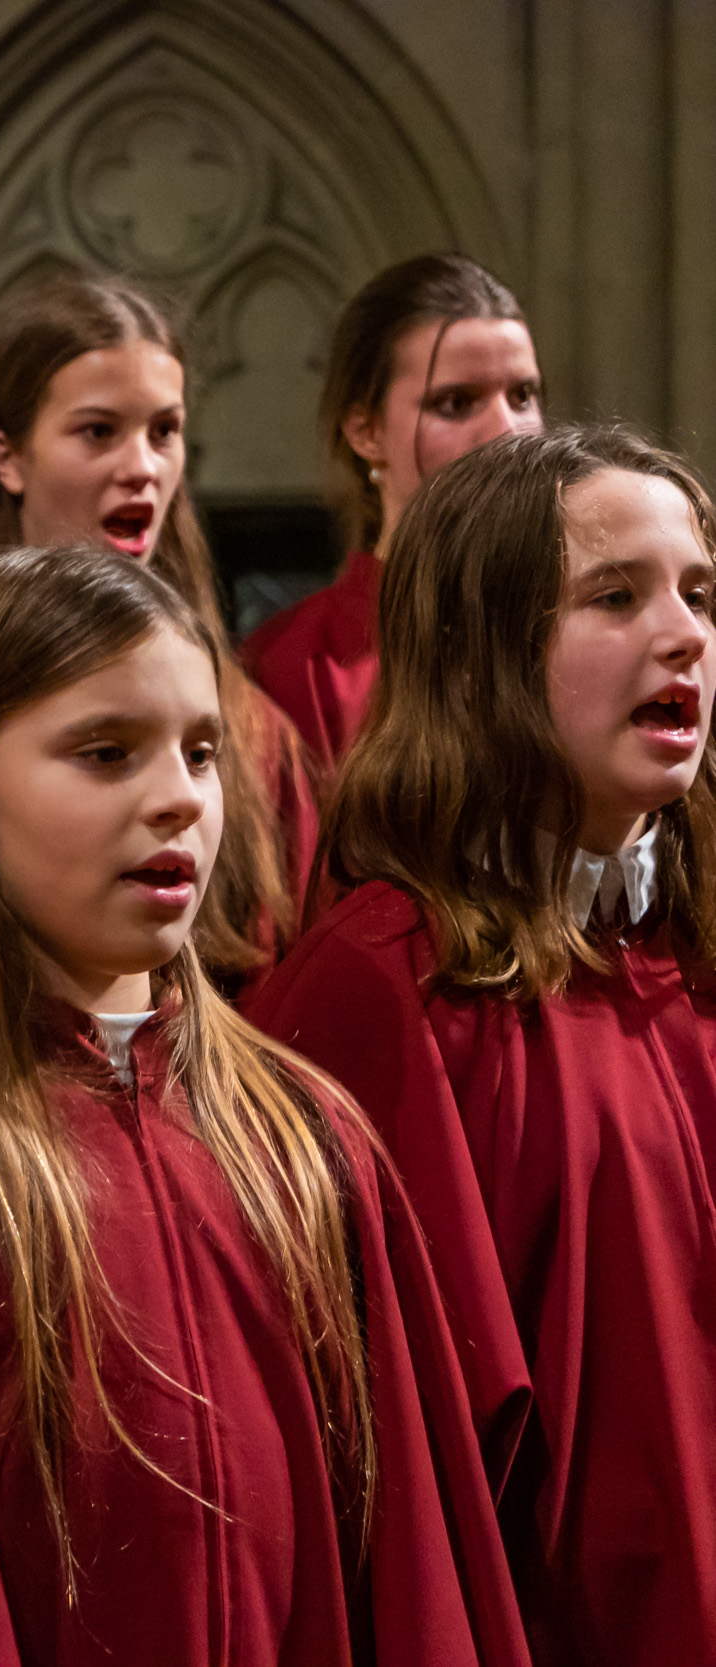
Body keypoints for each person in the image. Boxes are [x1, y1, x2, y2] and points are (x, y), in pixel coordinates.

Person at [0, 545, 527, 1667]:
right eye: (105, 751)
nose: (177, 795)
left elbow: (412, 1588)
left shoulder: (305, 1141)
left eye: (200, 749)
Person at [248, 425, 716, 1663]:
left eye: (698, 592)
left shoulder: (687, 950)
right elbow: (387, 1483)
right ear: (478, 651)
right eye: (615, 595)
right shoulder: (380, 983)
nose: (683, 635)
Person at [0, 270, 313, 979]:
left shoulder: (250, 730)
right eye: (99, 431)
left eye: (164, 431)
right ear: (8, 458)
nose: (142, 467)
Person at [243, 254, 542, 766]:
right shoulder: (290, 666)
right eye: (456, 402)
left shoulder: (576, 630)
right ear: (367, 431)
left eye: (522, 396)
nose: (507, 432)